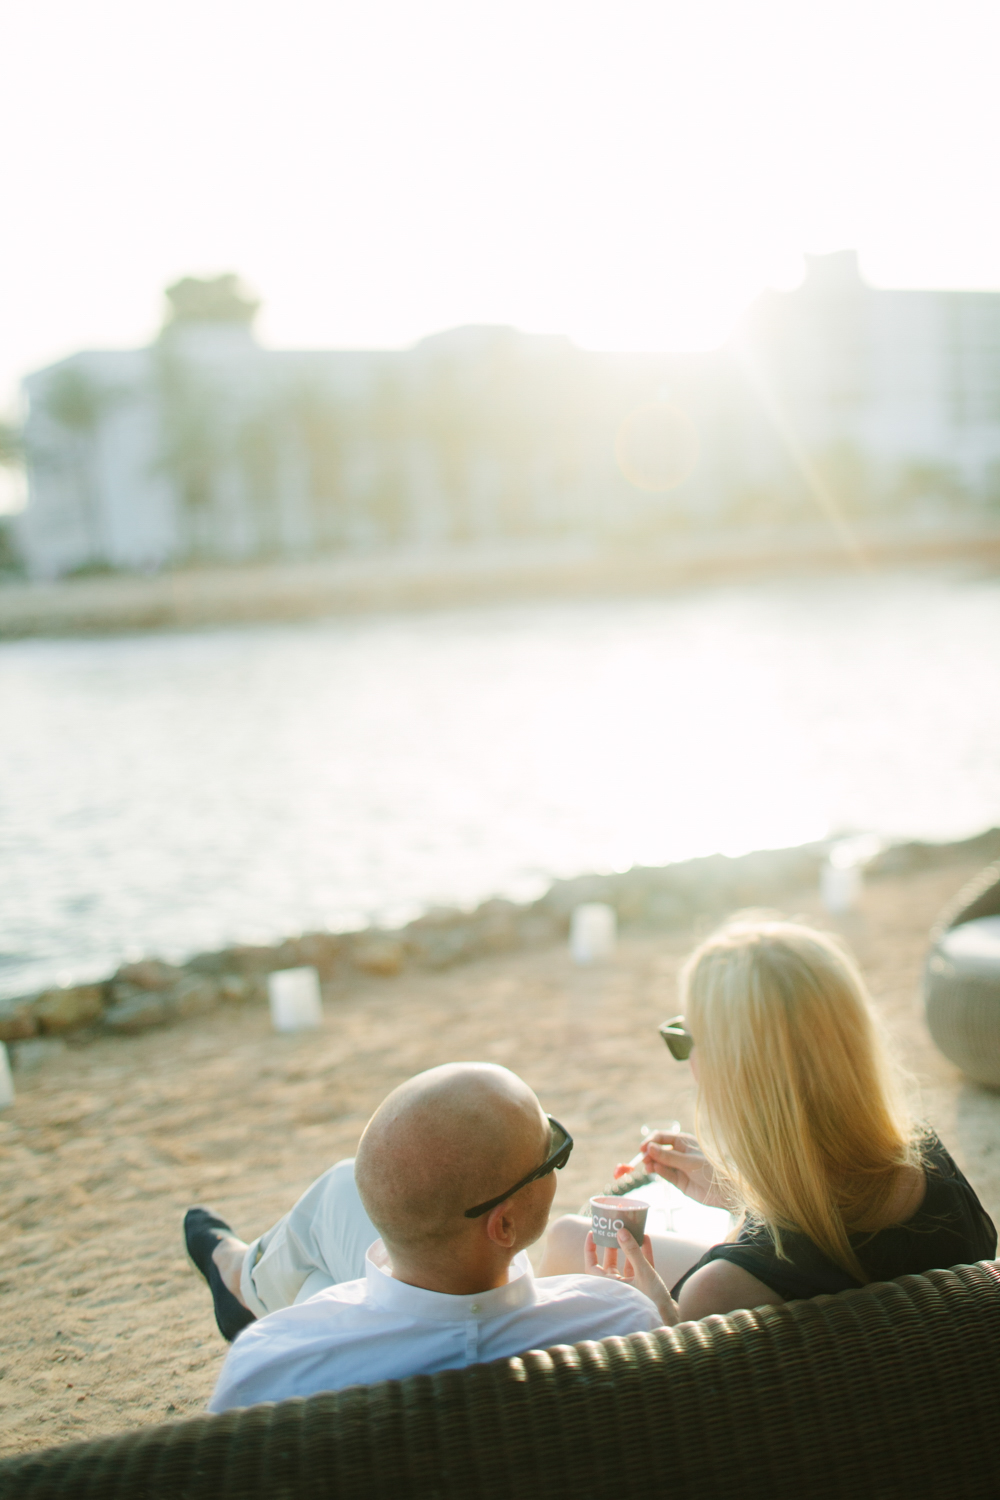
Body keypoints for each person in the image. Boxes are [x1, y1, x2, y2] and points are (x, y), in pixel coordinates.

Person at [543, 917, 997, 1320]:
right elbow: (835, 1241)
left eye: (688, 1039)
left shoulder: (715, 1294)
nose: (688, 1061)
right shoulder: (927, 1160)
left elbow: (694, 1405)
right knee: (568, 1236)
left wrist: (661, 1324)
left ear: (737, 1068)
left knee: (570, 1251)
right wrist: (743, 1195)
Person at [186, 1063, 672, 1411]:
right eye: (552, 1156)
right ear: (503, 1226)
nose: (559, 1162)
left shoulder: (269, 1366)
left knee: (333, 1198)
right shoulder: (621, 1320)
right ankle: (241, 1275)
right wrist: (655, 1315)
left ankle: (241, 1276)